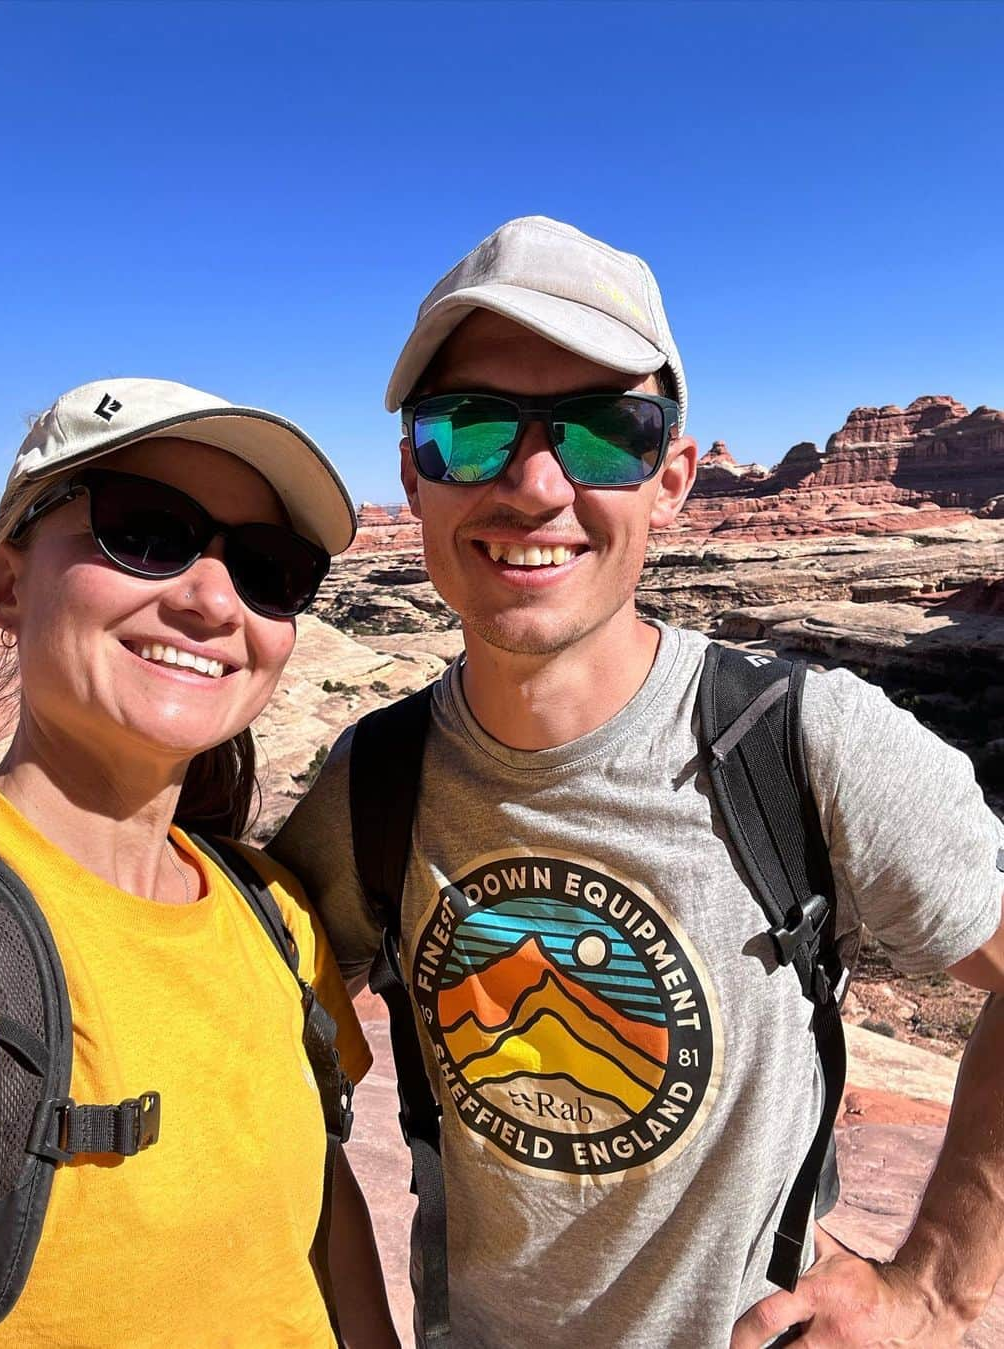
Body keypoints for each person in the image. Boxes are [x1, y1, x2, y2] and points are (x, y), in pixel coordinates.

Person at [270, 216, 1004, 1348]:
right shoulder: (372, 782)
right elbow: (254, 1056)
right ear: (415, 478)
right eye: (469, 430)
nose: (533, 483)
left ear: (673, 481)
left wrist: (942, 1285)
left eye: (605, 434)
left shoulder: (808, 744)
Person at [0, 378, 399, 1347]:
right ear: (5, 583)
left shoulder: (274, 915)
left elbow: (323, 1218)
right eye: (144, 529)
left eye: (268, 567)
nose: (214, 597)